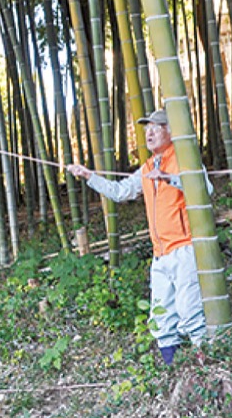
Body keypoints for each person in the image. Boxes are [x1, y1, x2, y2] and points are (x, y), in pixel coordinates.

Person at [67, 107, 212, 366]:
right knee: (161, 318)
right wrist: (88, 176)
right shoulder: (147, 167)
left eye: (157, 127)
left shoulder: (184, 158)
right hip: (160, 254)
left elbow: (206, 189)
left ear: (171, 131)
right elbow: (121, 192)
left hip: (184, 248)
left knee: (190, 312)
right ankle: (172, 369)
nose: (150, 132)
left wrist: (169, 178)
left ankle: (209, 367)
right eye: (147, 128)